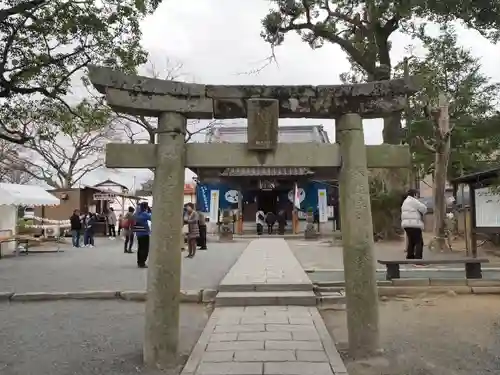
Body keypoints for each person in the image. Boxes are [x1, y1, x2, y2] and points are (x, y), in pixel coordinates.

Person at [401, 189, 427, 262]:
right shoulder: (413, 201)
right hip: (414, 224)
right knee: (419, 242)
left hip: (406, 225)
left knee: (411, 241)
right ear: (414, 194)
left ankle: (410, 257)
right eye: (417, 194)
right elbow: (424, 208)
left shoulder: (405, 201)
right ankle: (418, 260)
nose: (418, 196)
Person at [133, 202, 152, 268]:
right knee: (145, 248)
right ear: (145, 207)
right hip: (144, 233)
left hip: (138, 232)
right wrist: (150, 211)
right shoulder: (144, 214)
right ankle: (142, 262)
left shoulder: (136, 213)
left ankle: (139, 262)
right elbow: (152, 218)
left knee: (140, 248)